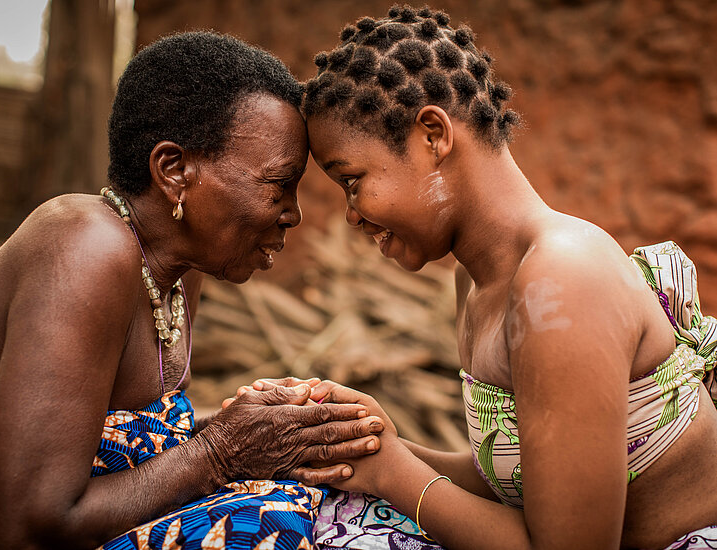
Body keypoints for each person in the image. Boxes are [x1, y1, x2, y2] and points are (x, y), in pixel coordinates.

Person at [0, 32, 387, 550]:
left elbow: (117, 441)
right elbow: (19, 529)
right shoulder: (87, 246)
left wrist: (258, 430)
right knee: (273, 526)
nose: (293, 214)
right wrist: (220, 451)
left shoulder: (178, 266)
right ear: (174, 172)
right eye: (276, 185)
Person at [263, 5, 717, 549]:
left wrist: (396, 474)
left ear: (433, 134)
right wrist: (376, 444)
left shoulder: (560, 283)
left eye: (353, 181)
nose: (351, 215)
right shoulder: (475, 285)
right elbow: (520, 482)